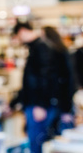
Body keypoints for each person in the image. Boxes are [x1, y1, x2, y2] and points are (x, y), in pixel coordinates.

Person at [11, 22, 62, 153]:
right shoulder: (36, 48)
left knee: (37, 143)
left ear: (22, 31)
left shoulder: (41, 48)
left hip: (38, 106)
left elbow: (46, 78)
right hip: (35, 104)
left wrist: (41, 104)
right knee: (35, 142)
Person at [42, 27, 76, 133]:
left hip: (59, 103)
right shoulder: (54, 53)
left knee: (59, 134)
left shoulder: (59, 54)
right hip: (54, 102)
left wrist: (67, 109)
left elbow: (69, 81)